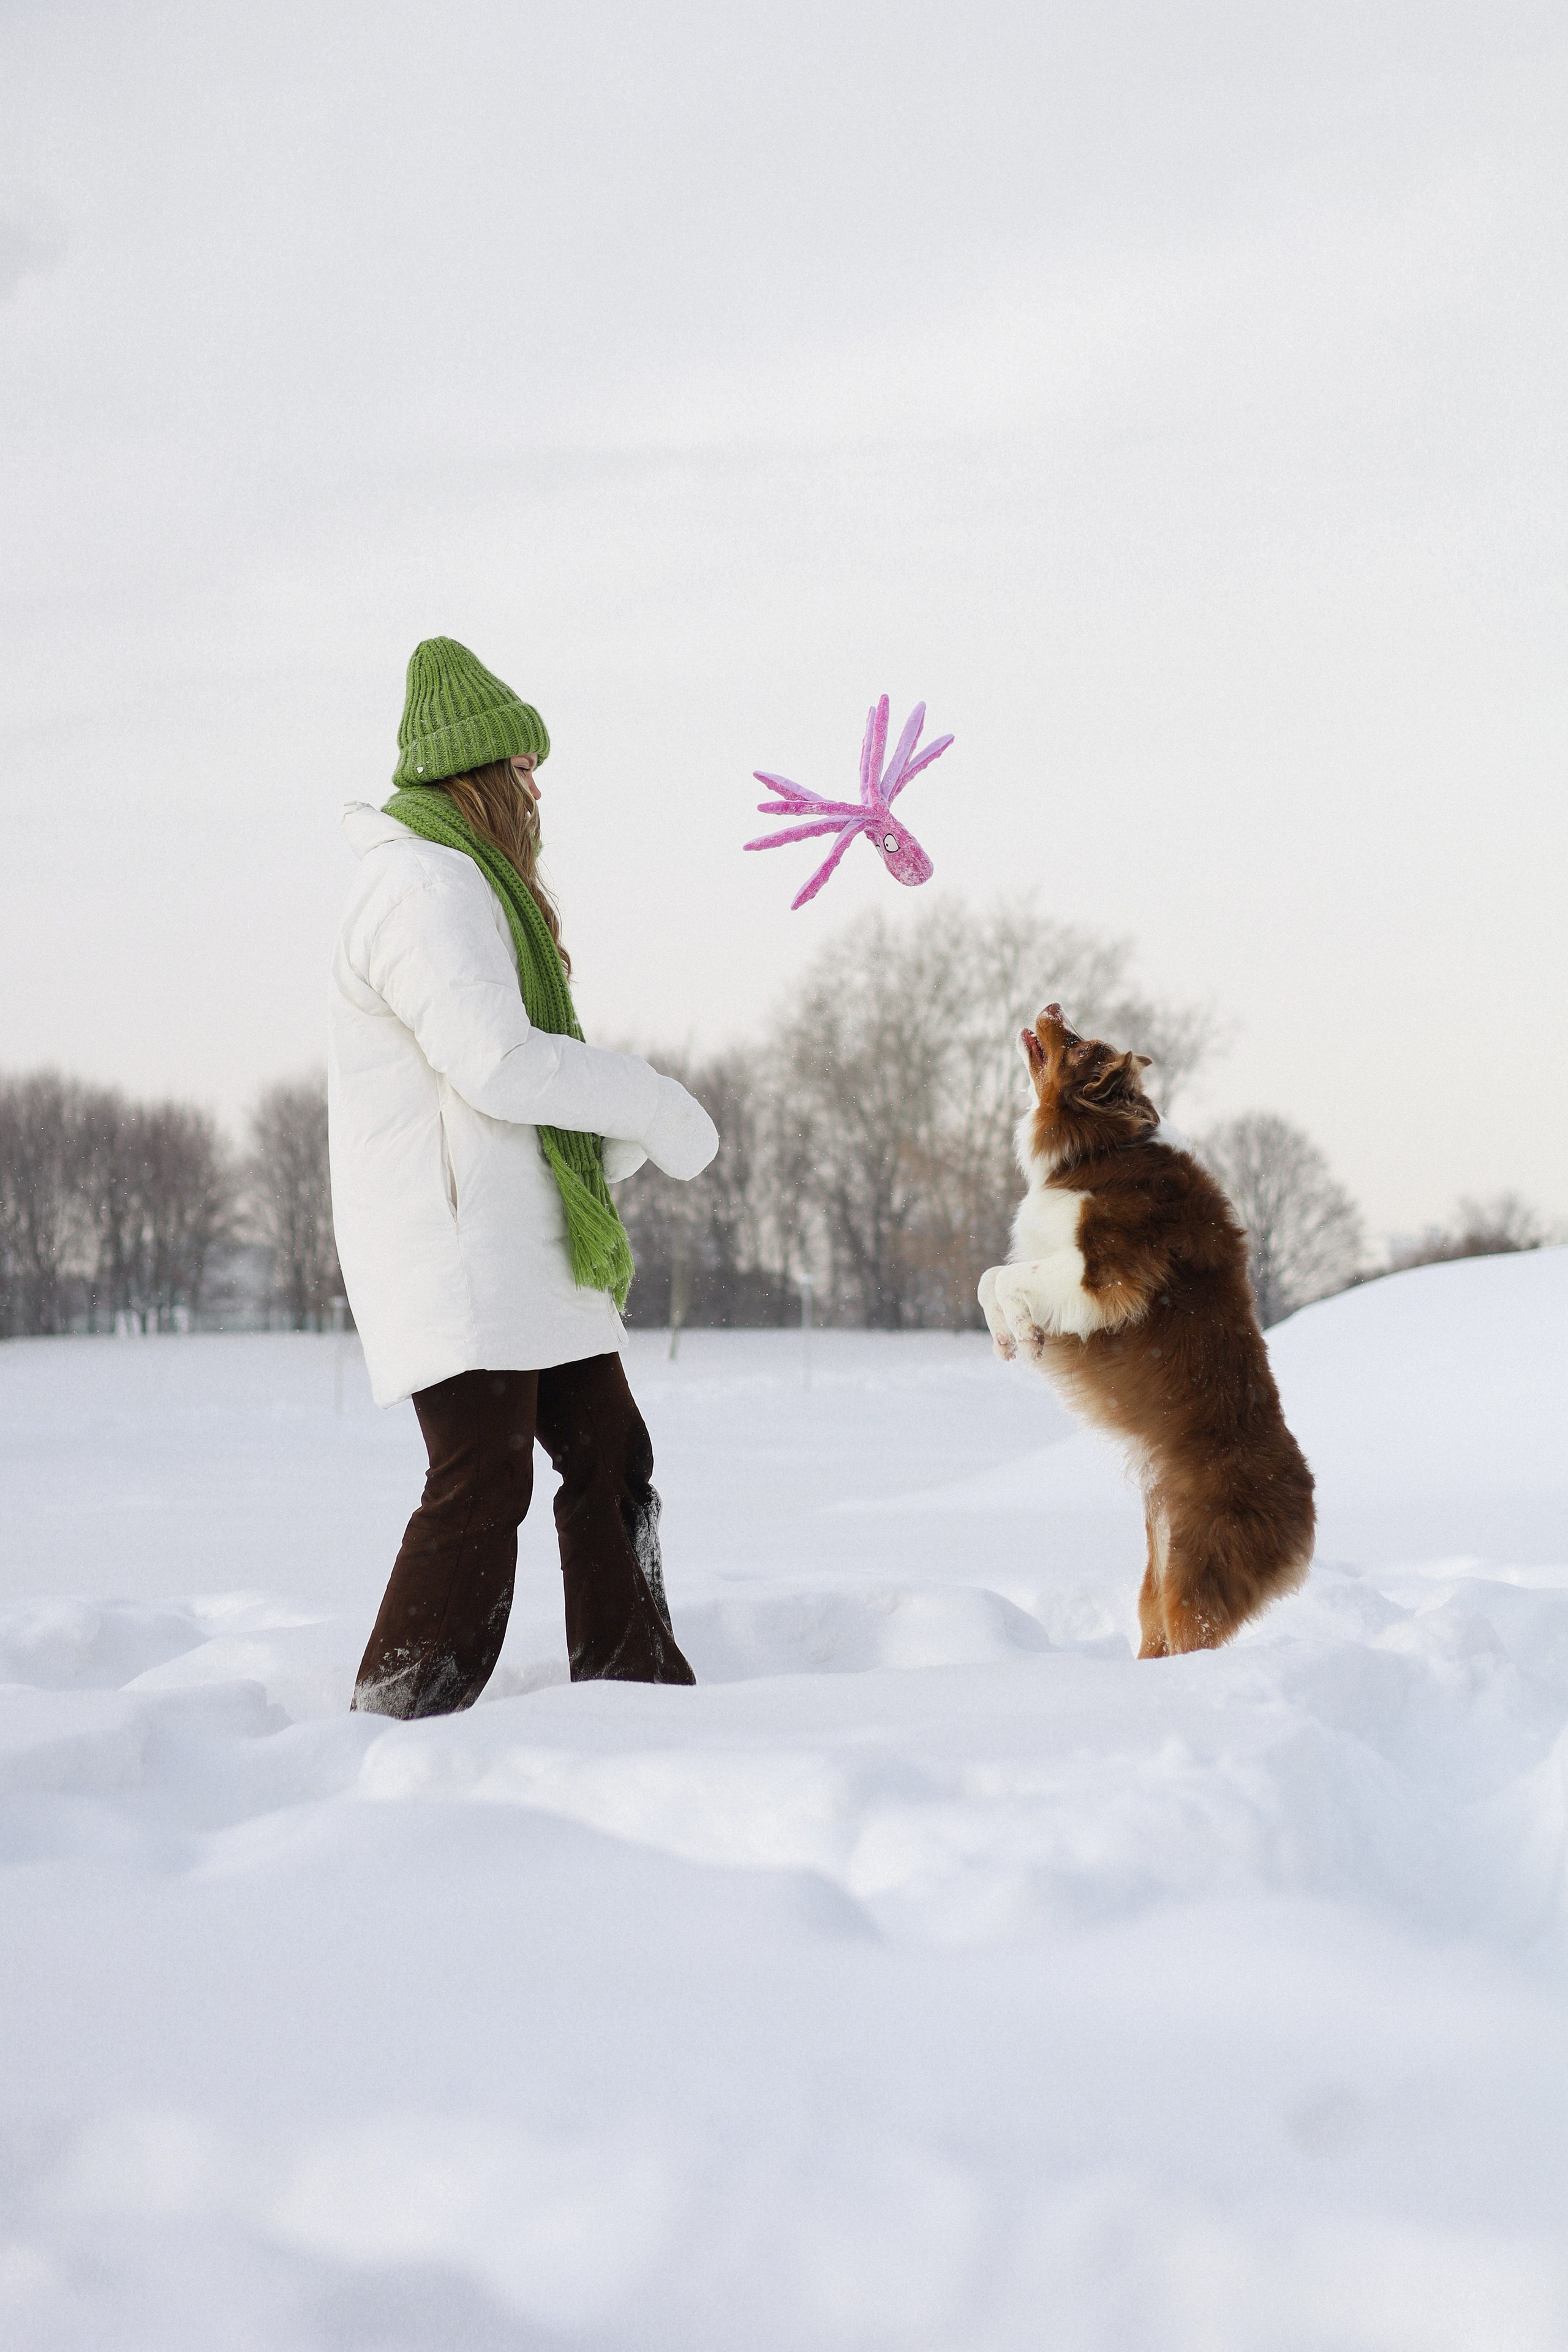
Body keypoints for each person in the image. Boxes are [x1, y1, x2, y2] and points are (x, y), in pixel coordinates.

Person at [328, 636, 718, 1715]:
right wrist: (647, 1101)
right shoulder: (418, 883)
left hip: (523, 1246)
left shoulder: (465, 879)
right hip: (458, 1247)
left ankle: (634, 1688)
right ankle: (402, 1713)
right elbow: (496, 1063)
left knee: (611, 1457)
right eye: (520, 767)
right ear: (476, 777)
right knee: (480, 1480)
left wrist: (611, 1143)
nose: (534, 788)